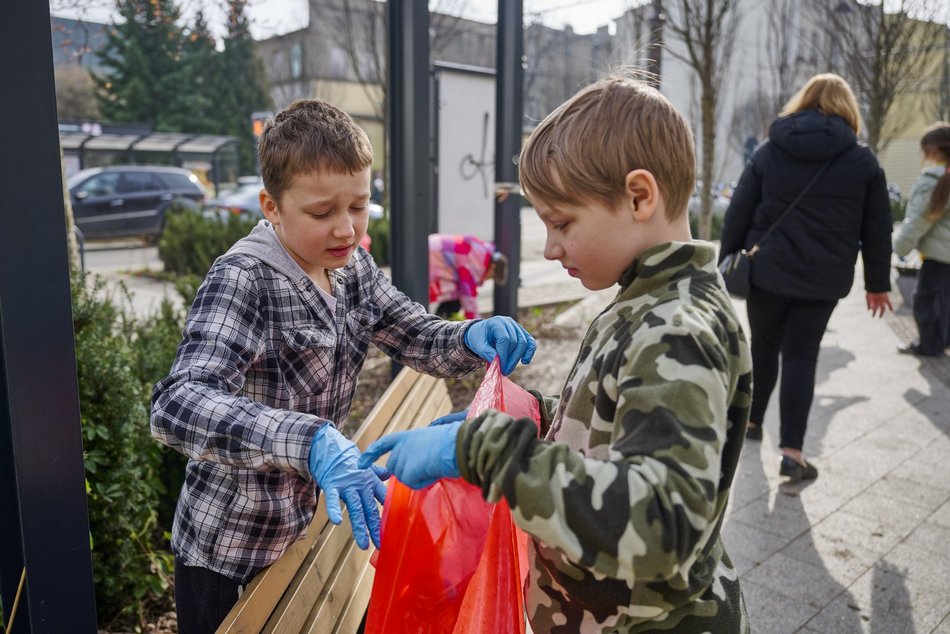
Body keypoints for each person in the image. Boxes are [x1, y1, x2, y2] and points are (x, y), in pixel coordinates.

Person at [361, 76, 754, 633]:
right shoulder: (650, 302)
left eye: (562, 222)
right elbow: (619, 421)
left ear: (639, 196)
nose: (549, 247)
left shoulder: (676, 330)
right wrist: (537, 415)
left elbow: (662, 519)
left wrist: (488, 452)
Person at [150, 99, 536, 634]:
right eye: (322, 212)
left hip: (309, 530)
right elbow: (178, 404)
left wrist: (470, 336)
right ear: (272, 206)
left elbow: (414, 333)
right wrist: (308, 441)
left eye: (359, 206)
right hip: (231, 553)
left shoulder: (351, 267)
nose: (347, 231)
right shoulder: (244, 279)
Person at [718, 73, 893, 481]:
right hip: (823, 279)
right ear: (848, 108)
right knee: (801, 356)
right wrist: (877, 284)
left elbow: (739, 209)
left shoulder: (769, 150)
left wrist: (728, 258)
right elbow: (877, 228)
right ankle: (793, 452)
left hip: (768, 272)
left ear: (803, 101)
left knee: (762, 349)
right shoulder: (863, 161)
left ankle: (751, 423)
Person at [893, 122, 950, 356]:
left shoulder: (934, 181)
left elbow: (919, 220)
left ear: (931, 150)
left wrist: (899, 247)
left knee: (926, 301)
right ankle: (942, 341)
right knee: (945, 302)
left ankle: (929, 345)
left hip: (938, 255)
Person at [428, 233, 508, 319]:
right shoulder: (475, 263)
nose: (487, 279)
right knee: (456, 298)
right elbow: (467, 295)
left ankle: (440, 322)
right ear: (493, 267)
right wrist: (478, 325)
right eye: (492, 276)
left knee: (455, 298)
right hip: (430, 256)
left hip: (432, 248)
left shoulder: (480, 252)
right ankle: (440, 324)